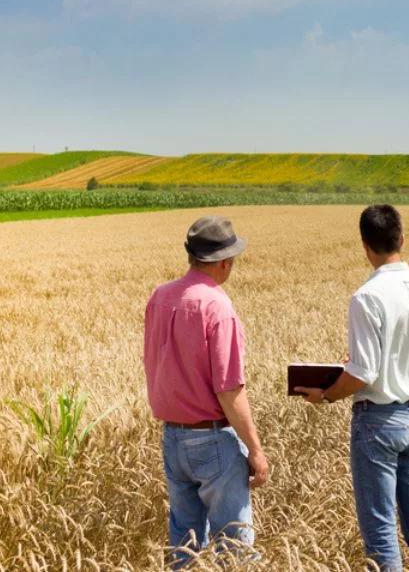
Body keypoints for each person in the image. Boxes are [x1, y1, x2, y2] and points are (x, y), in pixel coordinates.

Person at [295, 205, 409, 572]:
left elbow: (363, 373)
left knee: (380, 527)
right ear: (402, 238)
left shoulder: (367, 297)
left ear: (365, 245)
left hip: (379, 420)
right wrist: (404, 358)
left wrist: (328, 393)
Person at [143, 215, 270, 568]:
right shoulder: (216, 306)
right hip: (212, 440)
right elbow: (230, 389)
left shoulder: (160, 297)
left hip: (172, 438)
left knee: (183, 543)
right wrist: (256, 451)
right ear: (225, 262)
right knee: (234, 546)